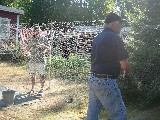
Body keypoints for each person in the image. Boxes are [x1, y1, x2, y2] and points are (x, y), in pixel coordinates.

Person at [86, 12, 131, 120]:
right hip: (105, 81)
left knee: (92, 112)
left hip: (93, 79)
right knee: (119, 114)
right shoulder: (114, 37)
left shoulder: (98, 37)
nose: (121, 27)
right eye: (120, 24)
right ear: (114, 24)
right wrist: (128, 71)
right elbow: (124, 64)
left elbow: (101, 59)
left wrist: (116, 68)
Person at [26, 26, 50, 97]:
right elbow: (28, 48)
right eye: (34, 31)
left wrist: (44, 47)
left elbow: (49, 49)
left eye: (37, 31)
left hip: (41, 60)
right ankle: (32, 89)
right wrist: (27, 50)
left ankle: (41, 90)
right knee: (32, 75)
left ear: (40, 31)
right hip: (32, 60)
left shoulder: (44, 39)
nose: (35, 32)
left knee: (41, 75)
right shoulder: (31, 39)